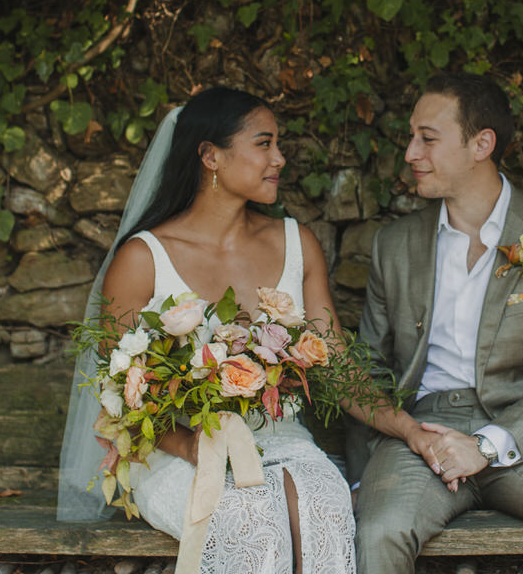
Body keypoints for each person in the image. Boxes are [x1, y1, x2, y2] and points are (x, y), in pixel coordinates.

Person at [57, 86, 355, 574]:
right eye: (264, 143)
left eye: (278, 144)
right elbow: (118, 399)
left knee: (324, 506)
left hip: (280, 437)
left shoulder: (296, 242)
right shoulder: (142, 259)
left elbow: (339, 365)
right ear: (210, 156)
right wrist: (191, 445)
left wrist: (411, 431)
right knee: (252, 520)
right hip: (176, 449)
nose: (279, 158)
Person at [347, 72, 523, 574]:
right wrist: (384, 457)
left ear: (481, 144)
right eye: (411, 137)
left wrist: (486, 445)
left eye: (427, 138)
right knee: (380, 532)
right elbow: (367, 369)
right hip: (424, 435)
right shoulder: (394, 246)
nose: (411, 153)